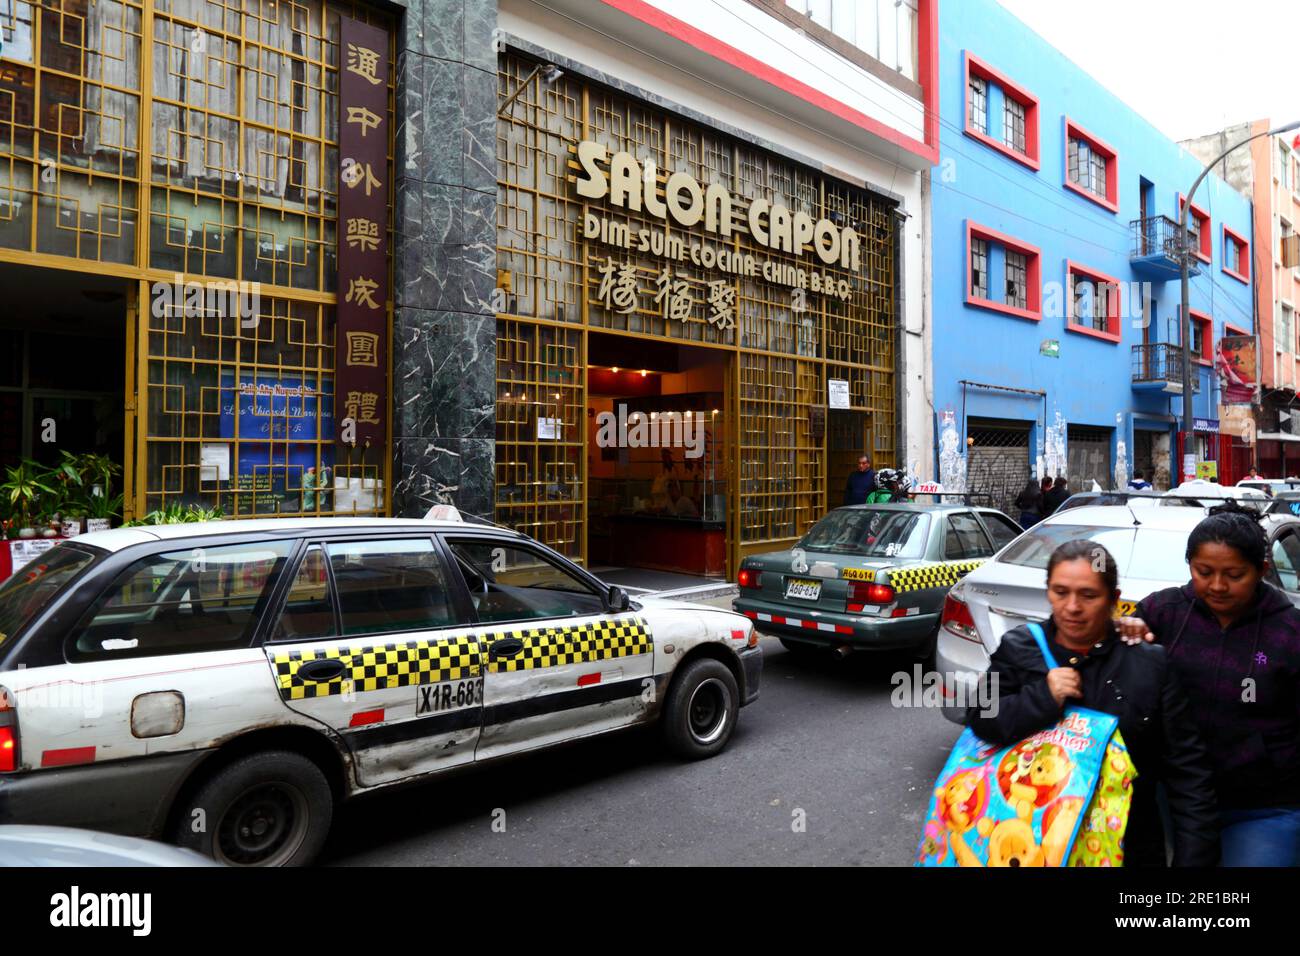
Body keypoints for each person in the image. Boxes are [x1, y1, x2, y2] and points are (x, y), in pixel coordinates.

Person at [968, 540, 1219, 866]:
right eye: (1060, 592)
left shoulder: (1149, 664)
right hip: (1029, 845)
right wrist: (1043, 696)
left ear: (1113, 599)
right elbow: (981, 715)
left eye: (1088, 595)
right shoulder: (1018, 647)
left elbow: (1188, 771)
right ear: (1048, 591)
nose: (1072, 607)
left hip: (1127, 846)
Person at [1118, 503, 1300, 866]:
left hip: (1266, 807)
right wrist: (1125, 637)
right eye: (1204, 572)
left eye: (1234, 574)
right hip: (1177, 798)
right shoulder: (1162, 612)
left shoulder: (1290, 632)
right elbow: (1110, 670)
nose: (1217, 586)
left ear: (1262, 570)